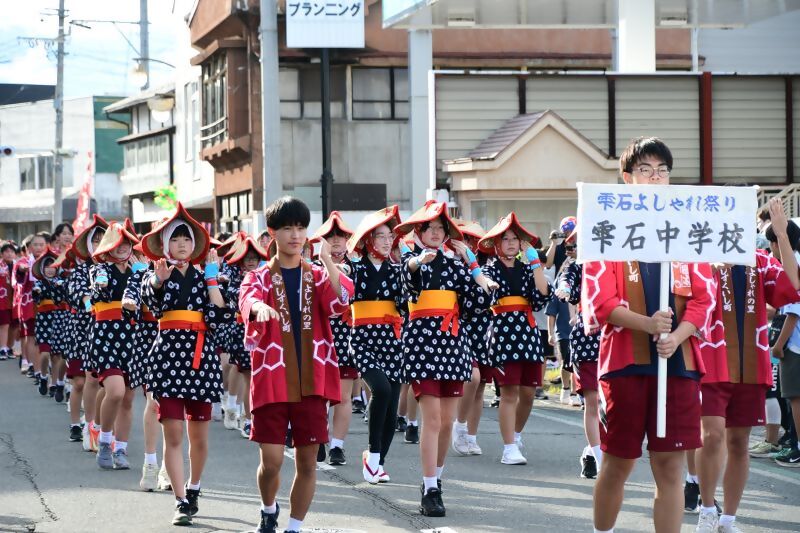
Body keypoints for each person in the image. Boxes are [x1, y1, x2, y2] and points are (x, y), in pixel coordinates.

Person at [584, 137, 715, 533]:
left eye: (662, 171)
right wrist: (647, 324)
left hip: (678, 363)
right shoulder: (606, 232)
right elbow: (601, 302)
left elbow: (704, 299)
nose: (655, 177)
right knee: (619, 461)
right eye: (645, 170)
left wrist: (676, 336)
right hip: (625, 364)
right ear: (627, 178)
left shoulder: (687, 233)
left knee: (670, 465)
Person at [238, 197, 352, 533]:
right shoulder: (258, 275)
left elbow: (340, 301)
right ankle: (268, 508)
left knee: (307, 462)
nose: (295, 234)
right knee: (271, 463)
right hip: (272, 378)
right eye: (287, 227)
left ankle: (294, 527)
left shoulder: (316, 275)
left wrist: (328, 262)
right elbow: (248, 297)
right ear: (272, 232)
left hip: (312, 380)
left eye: (301, 227)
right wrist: (258, 309)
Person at [394, 200, 495, 517]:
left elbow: (479, 302)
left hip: (452, 344)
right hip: (422, 344)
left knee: (449, 422)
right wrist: (415, 264)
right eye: (430, 229)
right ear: (420, 232)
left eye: (441, 229)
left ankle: (435, 480)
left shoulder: (456, 266)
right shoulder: (411, 261)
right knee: (433, 420)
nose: (436, 233)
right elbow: (405, 285)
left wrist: (474, 266)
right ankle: (430, 487)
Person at [141, 203, 231, 526]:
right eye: (176, 239)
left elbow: (222, 314)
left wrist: (211, 282)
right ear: (165, 244)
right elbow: (146, 307)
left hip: (200, 357)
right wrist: (158, 283)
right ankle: (180, 500)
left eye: (187, 239)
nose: (182, 244)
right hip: (167, 358)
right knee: (174, 434)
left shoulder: (209, 275)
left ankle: (194, 487)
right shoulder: (156, 274)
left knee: (200, 438)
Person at [478, 212, 552, 465]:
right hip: (503, 332)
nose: (511, 243)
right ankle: (509, 447)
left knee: (530, 392)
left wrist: (535, 265)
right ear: (496, 244)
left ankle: (516, 435)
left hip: (528, 332)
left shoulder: (526, 269)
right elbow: (485, 290)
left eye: (515, 239)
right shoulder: (489, 269)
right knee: (509, 392)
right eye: (505, 239)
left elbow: (542, 296)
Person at [345, 206, 406, 483]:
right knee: (380, 389)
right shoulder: (355, 268)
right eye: (380, 235)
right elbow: (343, 289)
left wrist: (409, 269)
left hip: (392, 340)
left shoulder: (397, 270)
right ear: (368, 240)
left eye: (390, 235)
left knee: (392, 411)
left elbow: (405, 304)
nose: (386, 240)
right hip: (363, 339)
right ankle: (372, 456)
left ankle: (378, 461)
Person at [89, 221, 141, 470]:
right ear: (109, 247)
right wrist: (103, 277)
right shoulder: (99, 270)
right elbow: (99, 292)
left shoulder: (138, 271)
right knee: (116, 391)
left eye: (128, 243)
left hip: (132, 337)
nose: (124, 247)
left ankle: (121, 448)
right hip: (106, 337)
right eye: (118, 243)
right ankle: (104, 441)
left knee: (128, 398)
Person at [308, 211, 357, 466]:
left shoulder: (355, 266)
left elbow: (349, 294)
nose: (336, 241)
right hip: (320, 336)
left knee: (344, 395)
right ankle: (319, 439)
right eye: (330, 236)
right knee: (320, 395)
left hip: (346, 333)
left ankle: (337, 445)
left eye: (340, 236)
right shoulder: (311, 268)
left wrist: (331, 265)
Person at [555, 231, 603, 479]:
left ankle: (591, 451)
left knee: (615, 407)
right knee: (594, 402)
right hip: (588, 337)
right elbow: (565, 282)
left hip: (620, 338)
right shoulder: (576, 267)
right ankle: (600, 456)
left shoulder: (618, 263)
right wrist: (564, 289)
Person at [222, 235, 271, 439]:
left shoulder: (266, 276)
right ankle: (248, 419)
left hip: (265, 331)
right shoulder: (235, 280)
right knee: (249, 376)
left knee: (262, 376)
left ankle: (253, 415)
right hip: (242, 330)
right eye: (247, 258)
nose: (251, 261)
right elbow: (235, 300)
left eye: (254, 258)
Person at [451, 220, 491, 457]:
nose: (466, 244)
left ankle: (471, 436)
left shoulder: (483, 268)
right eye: (463, 239)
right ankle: (460, 424)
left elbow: (484, 299)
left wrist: (473, 265)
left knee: (480, 385)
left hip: (483, 328)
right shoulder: (446, 265)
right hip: (456, 327)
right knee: (471, 378)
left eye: (472, 240)